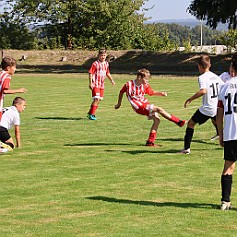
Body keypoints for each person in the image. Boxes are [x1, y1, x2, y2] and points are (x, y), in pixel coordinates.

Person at [114, 68, 186, 146]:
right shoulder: (128, 84)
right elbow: (121, 92)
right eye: (146, 79)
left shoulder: (145, 85)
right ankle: (178, 122)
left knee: (157, 120)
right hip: (138, 106)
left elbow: (151, 92)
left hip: (144, 103)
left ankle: (150, 142)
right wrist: (119, 103)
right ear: (139, 77)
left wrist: (161, 93)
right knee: (159, 109)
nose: (147, 81)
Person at [179, 54, 224, 154]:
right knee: (216, 122)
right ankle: (224, 141)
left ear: (199, 66)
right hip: (216, 107)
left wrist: (190, 99)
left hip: (208, 108)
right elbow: (223, 88)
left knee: (190, 124)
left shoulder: (202, 77)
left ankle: (186, 149)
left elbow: (203, 91)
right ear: (209, 65)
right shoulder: (216, 77)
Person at [216, 57, 237, 210]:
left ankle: (225, 201)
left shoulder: (224, 87)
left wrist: (221, 134)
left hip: (230, 133)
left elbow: (219, 113)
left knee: (228, 167)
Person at [87, 49, 115, 120]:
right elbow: (91, 73)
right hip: (95, 84)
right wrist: (90, 83)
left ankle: (90, 113)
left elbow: (107, 73)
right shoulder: (95, 64)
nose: (103, 57)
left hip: (102, 85)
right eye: (101, 55)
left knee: (99, 100)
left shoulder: (106, 64)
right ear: (98, 56)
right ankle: (92, 115)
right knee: (97, 98)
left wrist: (111, 80)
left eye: (104, 55)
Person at [0, 56, 27, 121]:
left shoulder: (0, 74)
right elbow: (5, 91)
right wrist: (19, 90)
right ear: (8, 68)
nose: (15, 69)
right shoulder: (7, 77)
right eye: (14, 67)